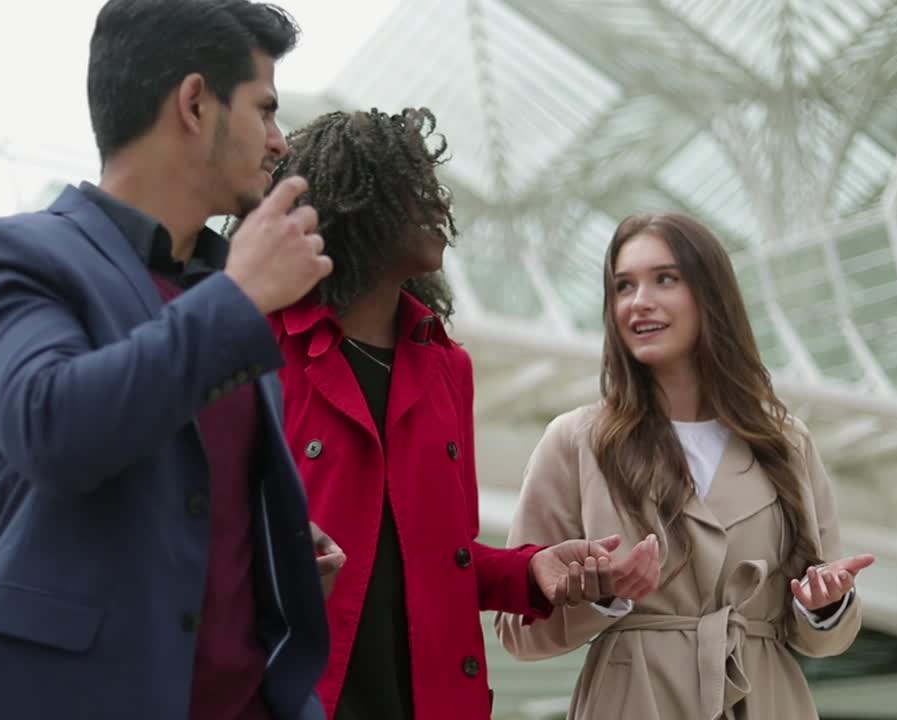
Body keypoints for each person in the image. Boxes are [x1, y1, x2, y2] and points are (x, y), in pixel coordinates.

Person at [0, 2, 341, 719]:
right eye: (264, 110)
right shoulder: (6, 256)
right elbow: (52, 427)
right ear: (195, 103)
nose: (280, 143)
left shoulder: (229, 291)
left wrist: (268, 554)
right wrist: (235, 299)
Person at [267, 107, 657, 720]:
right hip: (304, 698)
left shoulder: (448, 367)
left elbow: (441, 559)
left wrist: (532, 571)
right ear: (352, 201)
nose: (436, 200)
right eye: (412, 182)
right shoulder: (261, 348)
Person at [496, 213, 877, 719]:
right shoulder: (575, 441)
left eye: (665, 279)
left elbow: (823, 639)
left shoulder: (785, 443)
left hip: (767, 700)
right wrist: (605, 597)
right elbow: (516, 630)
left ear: (711, 295)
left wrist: (824, 605)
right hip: (635, 701)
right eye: (623, 285)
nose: (639, 301)